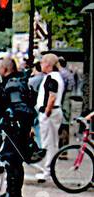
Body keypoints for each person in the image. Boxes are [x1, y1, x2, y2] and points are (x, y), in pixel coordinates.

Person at [0, 56, 37, 197]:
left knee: (13, 163)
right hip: (18, 129)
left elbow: (20, 108)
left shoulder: (12, 84)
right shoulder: (19, 81)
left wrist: (9, 119)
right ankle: (10, 196)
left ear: (4, 69)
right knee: (13, 163)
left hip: (15, 131)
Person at [34, 53, 64, 182]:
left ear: (48, 64)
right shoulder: (54, 77)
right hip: (52, 112)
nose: (40, 65)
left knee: (49, 143)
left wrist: (46, 112)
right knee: (51, 142)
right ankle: (48, 169)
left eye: (42, 62)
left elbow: (52, 96)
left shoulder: (52, 78)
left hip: (50, 113)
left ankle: (47, 171)